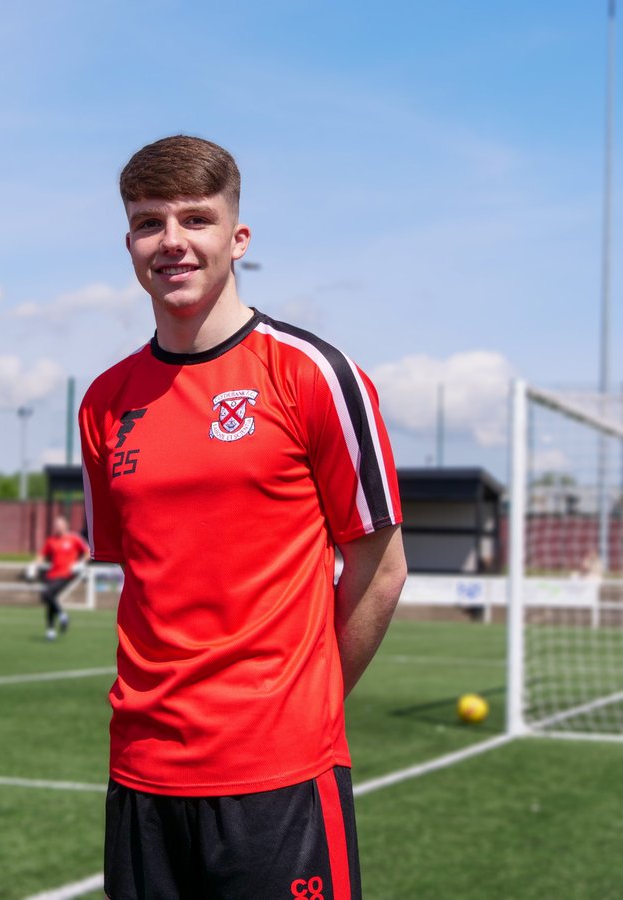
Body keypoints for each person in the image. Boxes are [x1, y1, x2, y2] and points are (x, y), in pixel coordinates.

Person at [78, 135, 408, 899]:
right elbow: (141, 574)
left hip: (279, 773)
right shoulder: (104, 401)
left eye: (196, 219)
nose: (172, 241)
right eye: (149, 222)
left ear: (238, 238)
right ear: (129, 244)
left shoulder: (312, 374)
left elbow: (381, 570)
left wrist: (306, 706)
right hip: (143, 771)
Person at [31, 515, 90, 640]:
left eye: (59, 524)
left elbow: (87, 552)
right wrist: (34, 566)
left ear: (66, 525)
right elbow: (42, 555)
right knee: (49, 598)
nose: (57, 527)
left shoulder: (74, 538)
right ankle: (51, 630)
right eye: (56, 525)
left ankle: (62, 616)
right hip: (52, 574)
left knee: (47, 594)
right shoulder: (51, 540)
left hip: (66, 574)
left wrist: (80, 564)